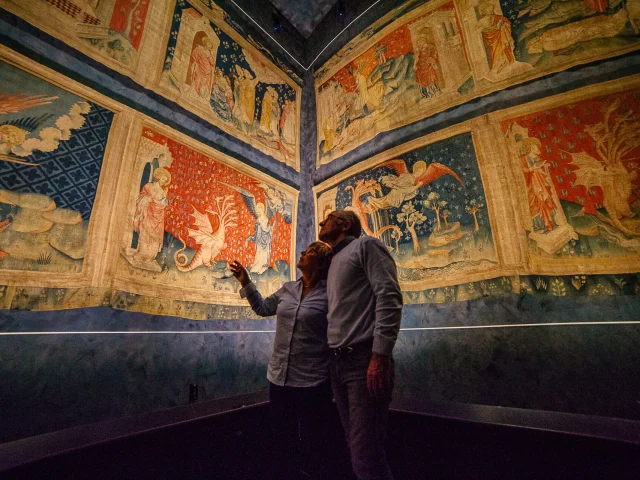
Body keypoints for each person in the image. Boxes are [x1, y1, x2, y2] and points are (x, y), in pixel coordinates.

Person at [230, 242, 334, 479]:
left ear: (319, 263)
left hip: (312, 381)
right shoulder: (288, 289)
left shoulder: (331, 294)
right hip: (279, 378)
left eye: (308, 252)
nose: (302, 253)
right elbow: (263, 307)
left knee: (313, 440)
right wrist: (246, 282)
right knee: (281, 437)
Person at [318, 210, 403, 480]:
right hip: (338, 363)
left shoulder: (365, 245)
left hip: (363, 361)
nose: (321, 222)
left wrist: (380, 356)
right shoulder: (332, 262)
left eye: (328, 218)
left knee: (366, 458)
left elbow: (388, 295)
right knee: (356, 449)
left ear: (345, 224)